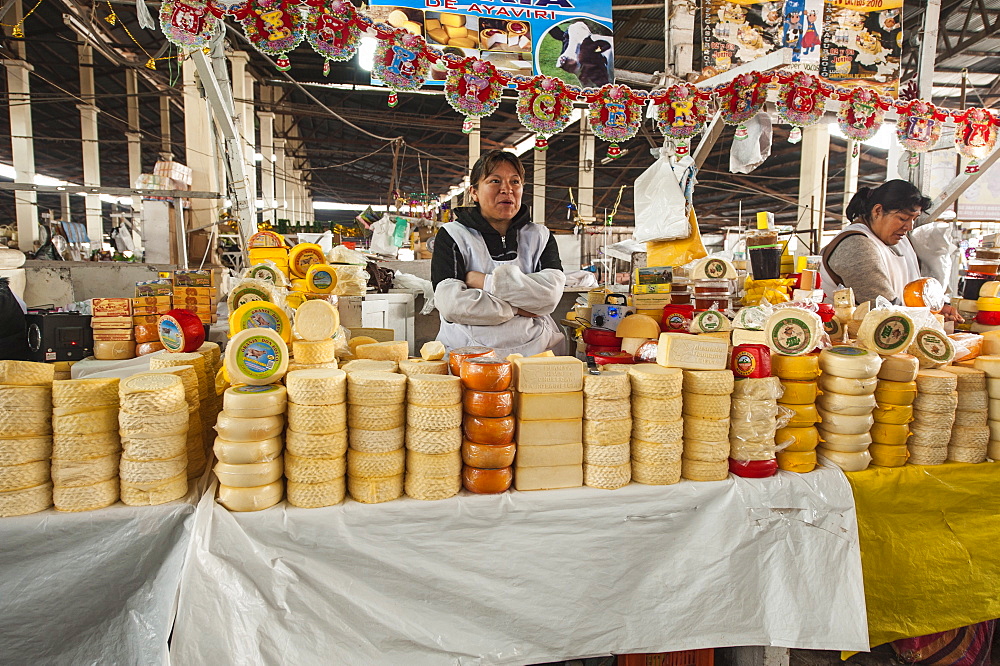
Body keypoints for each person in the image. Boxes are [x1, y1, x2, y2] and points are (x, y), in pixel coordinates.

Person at [431, 149, 566, 358]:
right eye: (495, 181)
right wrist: (518, 308)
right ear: (474, 192)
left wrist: (484, 283)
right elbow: (452, 304)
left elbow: (548, 298)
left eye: (515, 182)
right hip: (469, 355)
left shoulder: (540, 236)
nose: (507, 189)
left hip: (536, 353)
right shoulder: (453, 235)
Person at [820, 179, 962, 321]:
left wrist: (936, 311)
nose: (909, 226)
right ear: (878, 211)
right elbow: (884, 309)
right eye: (902, 218)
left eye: (914, 219)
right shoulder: (856, 245)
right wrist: (927, 318)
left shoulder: (897, 240)